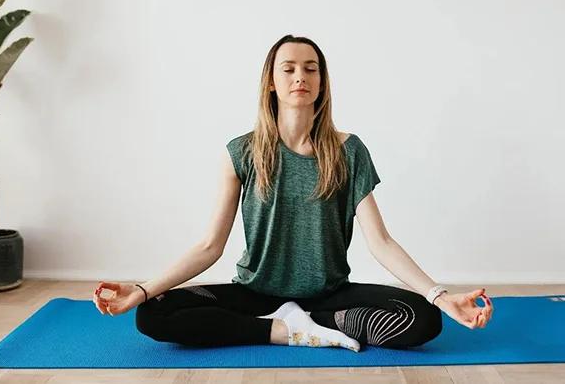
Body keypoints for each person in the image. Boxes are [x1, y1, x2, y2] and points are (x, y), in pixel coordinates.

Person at [92, 35, 493, 352]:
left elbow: (381, 242)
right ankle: (286, 331)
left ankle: (315, 324)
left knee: (424, 318)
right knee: (153, 313)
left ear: (321, 82)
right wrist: (143, 289)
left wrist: (440, 296)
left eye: (310, 69)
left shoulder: (348, 151)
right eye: (289, 69)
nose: (300, 76)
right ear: (273, 81)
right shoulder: (242, 152)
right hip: (255, 294)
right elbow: (209, 245)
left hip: (330, 296)